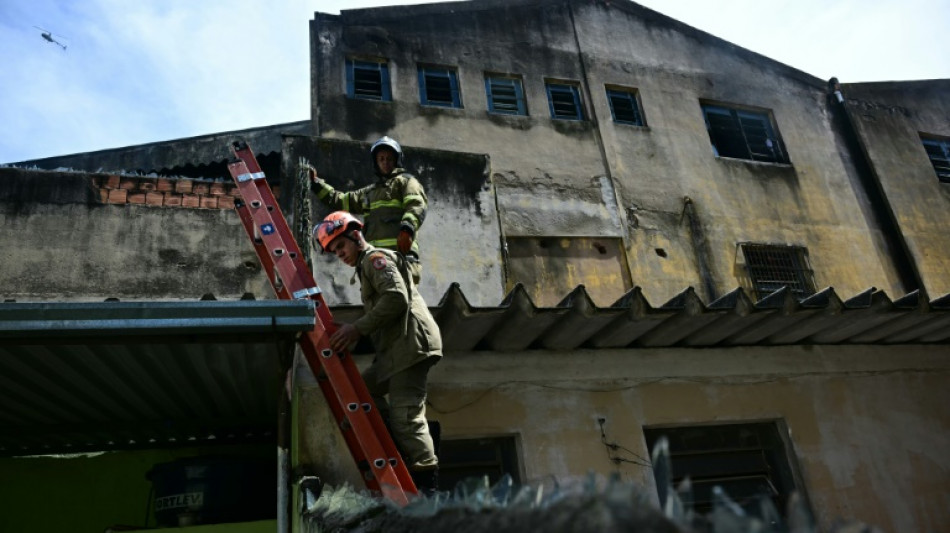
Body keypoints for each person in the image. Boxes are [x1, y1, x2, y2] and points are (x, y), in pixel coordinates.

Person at [314, 210, 442, 493]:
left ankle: (426, 487)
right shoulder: (366, 266)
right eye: (335, 252)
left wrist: (356, 328)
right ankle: (402, 445)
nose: (340, 255)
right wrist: (351, 326)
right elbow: (383, 308)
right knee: (364, 390)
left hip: (411, 345)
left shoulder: (374, 260)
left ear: (356, 236)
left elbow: (396, 298)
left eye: (341, 247)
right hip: (396, 350)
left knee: (405, 417)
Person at [307, 136, 427, 284]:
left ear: (397, 160)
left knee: (401, 300)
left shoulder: (407, 182)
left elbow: (416, 205)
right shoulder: (369, 193)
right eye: (381, 159)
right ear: (376, 163)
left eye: (389, 158)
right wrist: (316, 184)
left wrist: (407, 229)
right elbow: (340, 200)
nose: (385, 162)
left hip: (401, 258)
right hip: (376, 261)